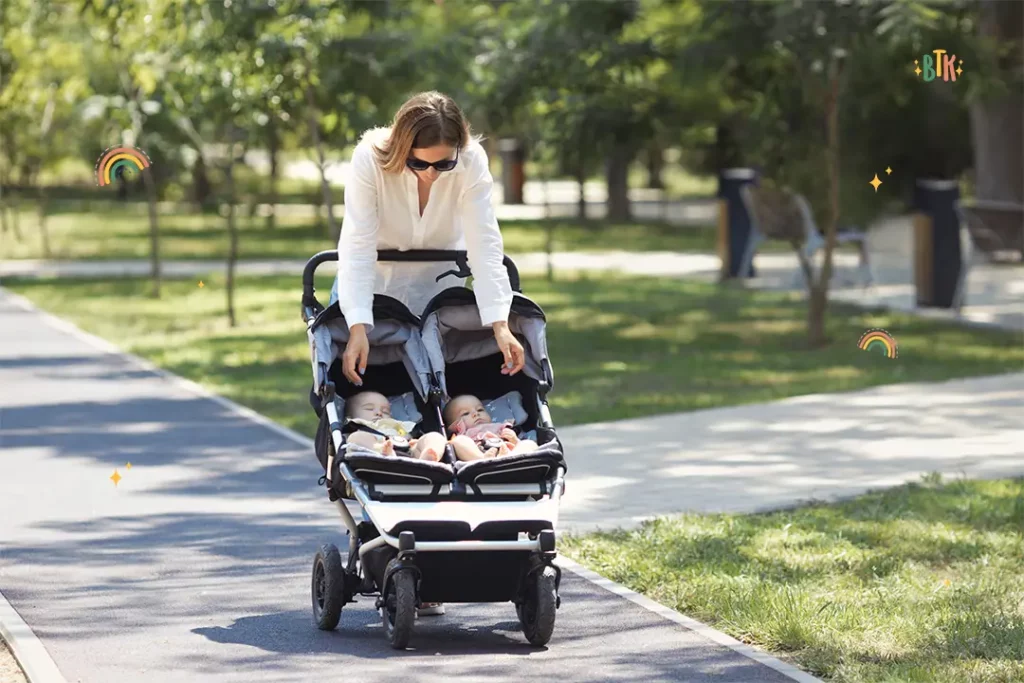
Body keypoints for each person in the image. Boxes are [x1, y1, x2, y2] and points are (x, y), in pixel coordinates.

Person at [334, 91, 526, 390]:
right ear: (402, 148)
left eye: (444, 165)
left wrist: (500, 324)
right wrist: (358, 325)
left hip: (438, 297)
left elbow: (484, 245)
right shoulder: (369, 159)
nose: (432, 175)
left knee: (440, 396)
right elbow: (357, 247)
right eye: (419, 164)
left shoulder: (472, 160)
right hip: (372, 291)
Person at [344, 391, 446, 462]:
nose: (379, 413)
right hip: (373, 453)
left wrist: (413, 442)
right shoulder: (355, 426)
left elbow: (408, 438)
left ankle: (427, 457)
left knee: (435, 436)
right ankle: (381, 451)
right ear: (350, 416)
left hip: (407, 453)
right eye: (369, 409)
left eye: (385, 411)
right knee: (355, 438)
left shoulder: (395, 426)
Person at [443, 394, 539, 461]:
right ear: (455, 425)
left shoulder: (501, 426)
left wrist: (514, 440)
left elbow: (516, 441)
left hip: (506, 450)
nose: (476, 414)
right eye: (465, 413)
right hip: (479, 453)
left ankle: (511, 458)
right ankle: (482, 459)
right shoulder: (463, 434)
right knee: (458, 441)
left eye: (480, 409)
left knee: (529, 444)